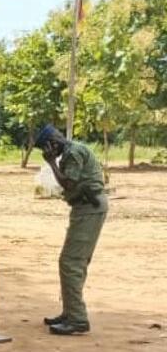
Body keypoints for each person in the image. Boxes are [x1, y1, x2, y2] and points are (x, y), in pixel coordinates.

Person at [35, 124, 107, 335]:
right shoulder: (72, 150)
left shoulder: (73, 153)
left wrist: (51, 163)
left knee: (71, 262)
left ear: (52, 143)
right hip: (86, 208)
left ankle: (77, 319)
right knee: (75, 261)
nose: (47, 153)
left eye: (47, 148)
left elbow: (68, 183)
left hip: (88, 208)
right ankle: (70, 311)